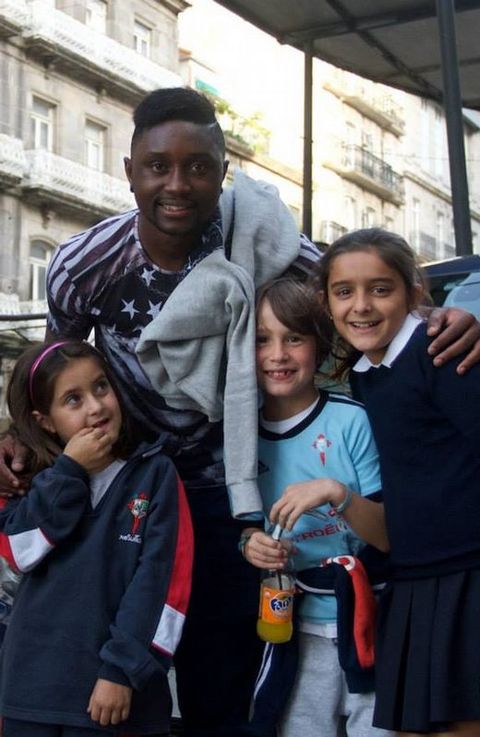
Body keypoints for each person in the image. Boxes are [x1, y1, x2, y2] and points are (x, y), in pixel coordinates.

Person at [0, 87, 477, 735]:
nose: (177, 183)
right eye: (158, 166)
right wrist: (18, 434)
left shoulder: (275, 252)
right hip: (137, 491)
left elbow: (364, 303)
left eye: (198, 166)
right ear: (130, 170)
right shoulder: (83, 265)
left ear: (223, 173)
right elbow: (53, 369)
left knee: (225, 677)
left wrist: (450, 315)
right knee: (112, 664)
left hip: (239, 491)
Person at [315, 227, 480, 737]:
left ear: (413, 293)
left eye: (380, 289)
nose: (361, 305)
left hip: (468, 575)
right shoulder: (366, 372)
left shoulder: (444, 352)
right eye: (344, 291)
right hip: (415, 577)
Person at [0, 340, 193, 737]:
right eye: (73, 400)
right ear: (46, 421)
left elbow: (164, 585)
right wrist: (70, 471)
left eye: (101, 387)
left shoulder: (154, 475)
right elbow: (20, 554)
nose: (96, 406)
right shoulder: (30, 480)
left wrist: (123, 670)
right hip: (32, 692)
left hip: (117, 697)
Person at [240, 278, 391, 737]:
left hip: (372, 621)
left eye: (294, 338)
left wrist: (336, 494)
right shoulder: (238, 438)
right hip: (293, 629)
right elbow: (243, 529)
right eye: (261, 340)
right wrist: (251, 545)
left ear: (319, 343)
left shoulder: (352, 421)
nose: (277, 355)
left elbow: (388, 535)